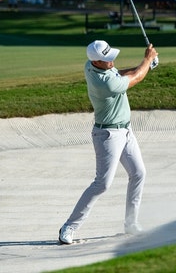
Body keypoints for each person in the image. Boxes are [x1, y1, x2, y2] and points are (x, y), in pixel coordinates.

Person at [58, 40, 158, 245]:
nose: (112, 61)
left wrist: (146, 64)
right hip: (108, 136)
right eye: (107, 59)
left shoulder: (92, 65)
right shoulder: (104, 84)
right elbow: (135, 78)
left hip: (126, 131)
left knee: (139, 173)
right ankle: (69, 227)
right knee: (102, 184)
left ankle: (131, 223)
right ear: (96, 62)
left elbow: (120, 72)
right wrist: (146, 61)